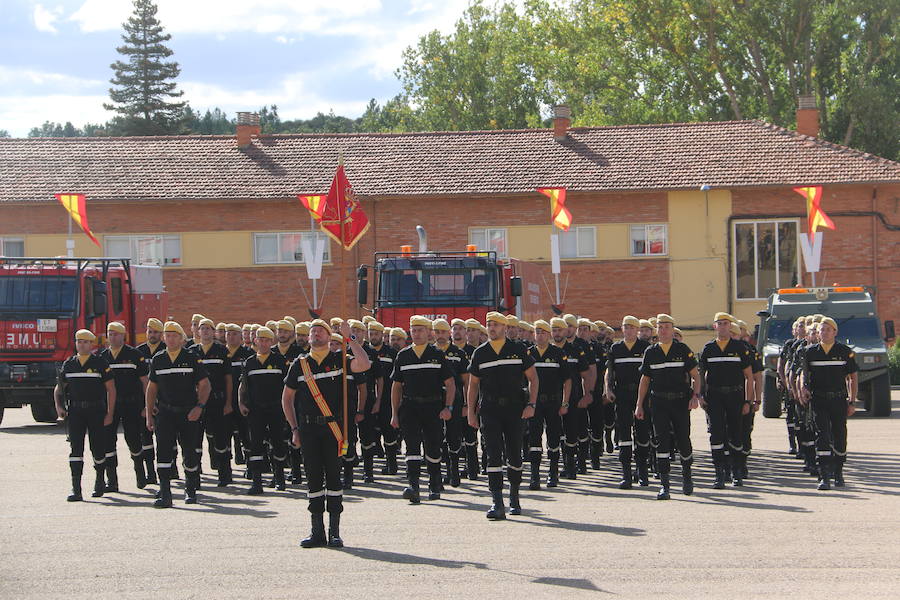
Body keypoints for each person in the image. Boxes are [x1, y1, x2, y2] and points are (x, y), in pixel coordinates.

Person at [282, 319, 371, 548]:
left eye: (320, 331)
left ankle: (334, 531)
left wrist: (350, 337)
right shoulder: (300, 365)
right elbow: (287, 399)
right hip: (309, 429)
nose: (315, 334)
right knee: (313, 479)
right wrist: (294, 428)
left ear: (329, 337)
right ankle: (316, 531)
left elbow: (364, 364)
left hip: (333, 429)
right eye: (313, 331)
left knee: (333, 478)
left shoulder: (339, 359)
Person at [467, 312, 538, 520]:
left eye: (496, 325)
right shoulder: (480, 353)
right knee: (493, 454)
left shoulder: (517, 350)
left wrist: (531, 404)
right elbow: (472, 385)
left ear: (505, 328)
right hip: (490, 410)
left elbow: (533, 378)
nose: (492, 328)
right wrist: (471, 412)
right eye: (489, 324)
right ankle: (496, 502)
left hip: (515, 409)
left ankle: (514, 497)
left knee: (515, 454)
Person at [145, 321, 211, 508]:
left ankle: (190, 489)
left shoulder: (191, 357)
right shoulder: (158, 359)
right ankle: (165, 492)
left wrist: (199, 407)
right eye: (168, 335)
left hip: (187, 413)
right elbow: (151, 389)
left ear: (181, 338)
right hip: (165, 413)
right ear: (164, 337)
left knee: (189, 452)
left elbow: (205, 384)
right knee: (164, 453)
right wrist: (149, 415)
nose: (171, 338)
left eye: (175, 335)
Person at [635, 314, 701, 500]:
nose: (663, 330)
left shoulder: (682, 349)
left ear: (672, 329)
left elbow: (696, 375)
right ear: (657, 330)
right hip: (659, 403)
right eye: (660, 327)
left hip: (680, 402)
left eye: (666, 327)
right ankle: (665, 486)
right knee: (661, 442)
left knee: (683, 440)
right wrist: (639, 404)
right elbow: (645, 380)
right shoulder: (651, 352)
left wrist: (695, 396)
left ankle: (687, 477)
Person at [391, 316, 455, 503]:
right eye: (413, 329)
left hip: (433, 407)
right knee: (411, 446)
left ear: (429, 332)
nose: (416, 333)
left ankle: (434, 483)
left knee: (433, 447)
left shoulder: (437, 354)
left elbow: (450, 384)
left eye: (420, 329)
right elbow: (396, 386)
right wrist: (394, 414)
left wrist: (448, 407)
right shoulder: (403, 355)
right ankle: (413, 485)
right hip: (410, 407)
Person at [54, 329, 116, 501]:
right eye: (79, 341)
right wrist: (59, 407)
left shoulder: (100, 363)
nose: (82, 345)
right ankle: (76, 488)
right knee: (76, 450)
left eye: (85, 342)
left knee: (97, 448)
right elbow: (59, 389)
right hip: (75, 412)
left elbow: (111, 389)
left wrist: (110, 413)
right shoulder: (69, 364)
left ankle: (99, 482)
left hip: (96, 411)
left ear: (92, 344)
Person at [800, 317, 858, 490]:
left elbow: (853, 377)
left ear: (835, 332)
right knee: (822, 435)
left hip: (839, 399)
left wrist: (852, 401)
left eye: (828, 329)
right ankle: (824, 476)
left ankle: (838, 473)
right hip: (819, 400)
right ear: (817, 333)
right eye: (821, 330)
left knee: (839, 434)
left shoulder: (844, 351)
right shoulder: (810, 352)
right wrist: (804, 387)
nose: (824, 332)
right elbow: (804, 373)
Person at [698, 313, 754, 489]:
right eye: (719, 324)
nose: (722, 327)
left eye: (725, 324)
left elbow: (749, 376)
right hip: (714, 397)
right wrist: (700, 395)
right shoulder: (708, 348)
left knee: (736, 435)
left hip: (735, 397)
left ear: (730, 326)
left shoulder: (739, 347)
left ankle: (737, 472)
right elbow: (700, 374)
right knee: (716, 434)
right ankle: (719, 473)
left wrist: (748, 401)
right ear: (715, 326)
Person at [238, 326, 289, 494]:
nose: (264, 343)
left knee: (278, 443)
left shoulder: (280, 360)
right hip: (255, 409)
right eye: (261, 339)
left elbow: (288, 386)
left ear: (271, 342)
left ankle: (279, 478)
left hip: (276, 408)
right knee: (256, 445)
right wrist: (241, 403)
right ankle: (257, 482)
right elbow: (243, 385)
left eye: (267, 340)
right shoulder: (250, 362)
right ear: (256, 341)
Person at [99, 321, 149, 491]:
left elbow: (145, 382)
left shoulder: (135, 355)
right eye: (110, 334)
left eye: (116, 334)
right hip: (109, 406)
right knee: (107, 442)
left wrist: (146, 406)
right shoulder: (102, 357)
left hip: (132, 404)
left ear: (123, 336)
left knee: (133, 439)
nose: (113, 337)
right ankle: (111, 481)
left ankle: (140, 473)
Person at [605, 316, 652, 488]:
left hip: (642, 396)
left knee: (642, 434)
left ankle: (642, 473)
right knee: (624, 435)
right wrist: (608, 389)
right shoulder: (615, 348)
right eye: (626, 327)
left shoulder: (645, 348)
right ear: (622, 329)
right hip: (622, 395)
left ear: (637, 330)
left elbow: (650, 374)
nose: (629, 330)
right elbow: (610, 371)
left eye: (632, 327)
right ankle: (626, 473)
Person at [526, 319, 570, 489]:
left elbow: (567, 380)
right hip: (534, 403)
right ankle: (535, 476)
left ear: (549, 334)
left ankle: (553, 474)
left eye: (543, 332)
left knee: (553, 439)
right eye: (537, 332)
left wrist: (565, 403)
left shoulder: (558, 353)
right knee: (534, 439)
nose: (540, 335)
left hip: (553, 402)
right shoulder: (528, 354)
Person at [190, 318, 234, 487]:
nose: (206, 331)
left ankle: (224, 473)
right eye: (203, 328)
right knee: (195, 439)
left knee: (220, 439)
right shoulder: (191, 351)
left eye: (209, 328)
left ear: (214, 331)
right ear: (198, 332)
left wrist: (228, 403)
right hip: (198, 403)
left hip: (218, 400)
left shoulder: (222, 351)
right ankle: (196, 473)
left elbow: (228, 379)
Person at [433, 318, 469, 488]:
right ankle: (439, 474)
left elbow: (467, 381)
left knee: (454, 436)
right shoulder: (429, 352)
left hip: (454, 398)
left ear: (449, 334)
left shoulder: (459, 353)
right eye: (437, 332)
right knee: (435, 437)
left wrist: (467, 404)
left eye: (443, 332)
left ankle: (454, 471)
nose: (440, 336)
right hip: (433, 398)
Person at [135, 318, 165, 484]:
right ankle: (150, 472)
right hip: (145, 402)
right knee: (145, 440)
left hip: (165, 400)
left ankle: (169, 469)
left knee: (165, 439)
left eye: (155, 332)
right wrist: (146, 405)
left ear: (161, 334)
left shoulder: (166, 350)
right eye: (149, 331)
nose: (152, 335)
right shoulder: (138, 352)